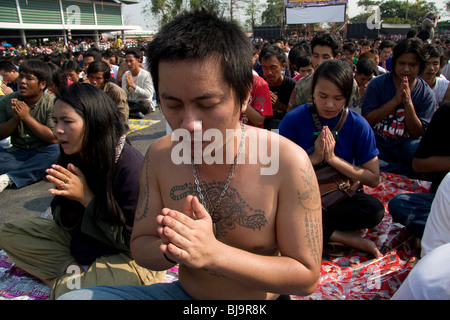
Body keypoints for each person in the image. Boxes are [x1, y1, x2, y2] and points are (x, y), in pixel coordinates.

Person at [58, 9, 322, 300]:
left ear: (245, 94)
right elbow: (142, 243)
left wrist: (213, 253)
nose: (188, 125)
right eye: (172, 104)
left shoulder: (286, 163)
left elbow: (305, 276)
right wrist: (173, 247)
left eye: (207, 104)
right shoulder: (160, 157)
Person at [0, 83, 165, 299]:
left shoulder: (130, 167)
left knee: (92, 289)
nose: (58, 130)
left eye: (67, 122)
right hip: (84, 243)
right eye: (56, 121)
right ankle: (73, 275)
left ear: (94, 123)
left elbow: (135, 241)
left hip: (126, 255)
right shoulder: (73, 154)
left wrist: (86, 198)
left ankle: (62, 285)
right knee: (10, 232)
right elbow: (61, 218)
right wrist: (67, 201)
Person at [279, 59, 384, 258]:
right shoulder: (292, 120)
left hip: (337, 195)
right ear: (312, 92)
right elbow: (276, 172)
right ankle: (343, 237)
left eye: (338, 98)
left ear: (347, 97)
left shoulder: (358, 124)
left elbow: (373, 178)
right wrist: (313, 159)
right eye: (322, 96)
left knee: (374, 210)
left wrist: (333, 159)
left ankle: (319, 232)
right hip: (300, 195)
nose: (329, 104)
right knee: (275, 212)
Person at [362, 38, 437, 178]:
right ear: (395, 63)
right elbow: (367, 120)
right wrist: (395, 101)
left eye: (412, 65)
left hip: (405, 146)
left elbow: (417, 133)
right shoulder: (377, 85)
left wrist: (408, 103)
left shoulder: (426, 94)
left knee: (417, 149)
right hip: (379, 144)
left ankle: (394, 169)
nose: (406, 69)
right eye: (402, 63)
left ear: (420, 66)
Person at [388, 102, 450, 239]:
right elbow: (419, 164)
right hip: (443, 201)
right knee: (400, 204)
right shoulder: (446, 113)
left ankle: (435, 235)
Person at [0, 59, 60, 193]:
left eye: (29, 78)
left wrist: (26, 117)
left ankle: (9, 177)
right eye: (21, 76)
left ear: (42, 84)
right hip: (17, 153)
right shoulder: (6, 101)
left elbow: (54, 137)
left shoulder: (53, 103)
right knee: (46, 165)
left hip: (44, 151)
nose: (22, 81)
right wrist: (15, 119)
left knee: (58, 151)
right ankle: (35, 170)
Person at [288, 33, 342, 110]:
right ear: (311, 55)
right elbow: (291, 116)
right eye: (316, 56)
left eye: (325, 57)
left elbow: (353, 117)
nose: (319, 62)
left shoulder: (348, 84)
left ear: (337, 57)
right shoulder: (302, 85)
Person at [259, 45, 296, 129]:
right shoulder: (259, 86)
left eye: (273, 67)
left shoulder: (293, 86)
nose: (269, 72)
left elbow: (298, 114)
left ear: (283, 66)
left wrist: (279, 105)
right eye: (264, 68)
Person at [87, 60, 129, 125]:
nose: (94, 81)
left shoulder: (116, 91)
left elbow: (123, 116)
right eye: (91, 77)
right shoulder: (87, 89)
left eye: (98, 78)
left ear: (105, 79)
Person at [121, 48, 155, 119]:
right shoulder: (126, 75)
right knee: (119, 103)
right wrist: (128, 86)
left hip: (143, 103)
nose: (128, 64)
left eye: (131, 61)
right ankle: (132, 113)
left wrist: (133, 86)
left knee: (144, 105)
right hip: (132, 102)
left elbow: (148, 94)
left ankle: (125, 112)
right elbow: (124, 95)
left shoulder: (146, 75)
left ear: (138, 60)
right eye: (127, 61)